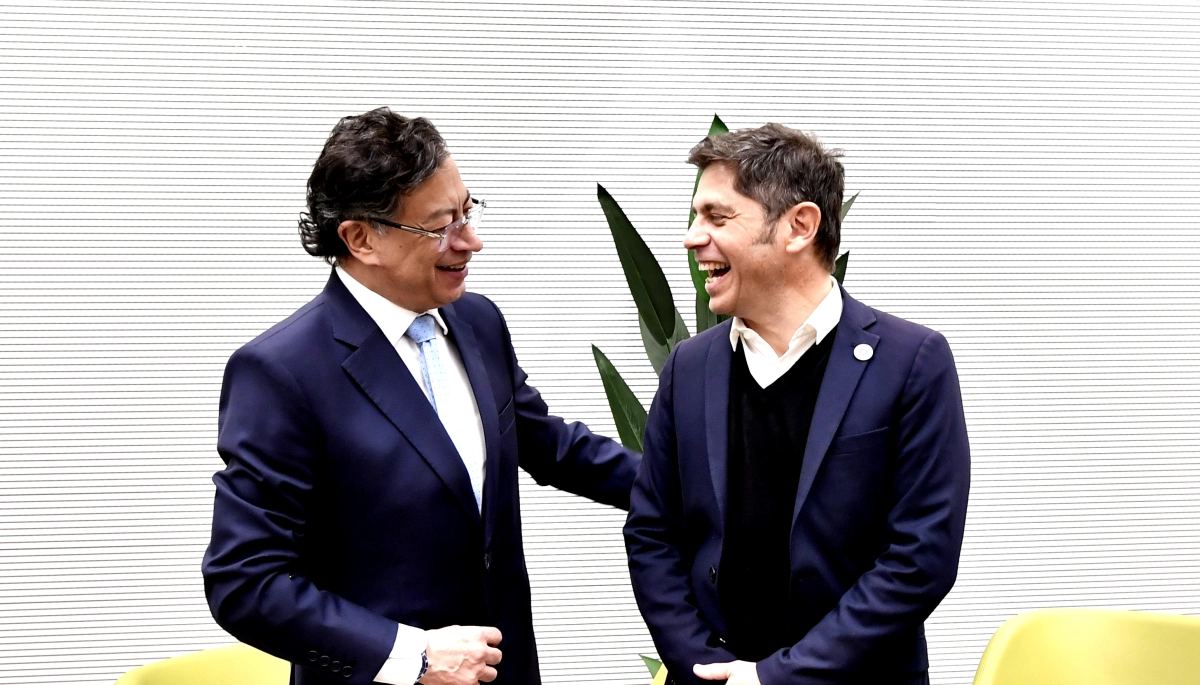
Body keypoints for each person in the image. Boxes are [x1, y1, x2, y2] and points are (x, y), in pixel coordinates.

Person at [203, 107, 640, 685]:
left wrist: (700, 492)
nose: (472, 241)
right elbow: (244, 582)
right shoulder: (280, 372)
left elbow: (552, 446)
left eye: (468, 212)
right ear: (361, 238)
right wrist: (415, 657)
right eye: (441, 227)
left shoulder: (478, 322)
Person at [624, 123, 970, 685]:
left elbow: (920, 558)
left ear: (799, 226)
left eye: (717, 217)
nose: (692, 237)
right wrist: (704, 668)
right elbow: (653, 532)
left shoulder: (912, 362)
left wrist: (778, 678)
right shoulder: (689, 368)